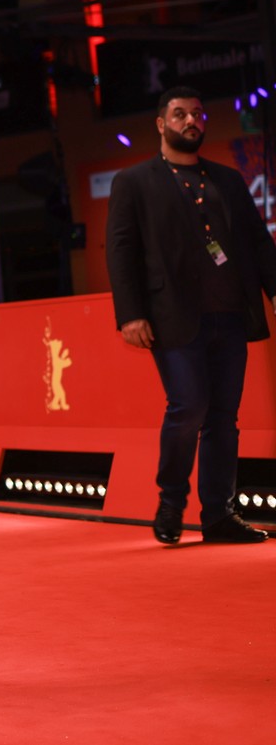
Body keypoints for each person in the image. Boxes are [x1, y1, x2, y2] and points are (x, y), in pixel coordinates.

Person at [105, 86, 276, 546]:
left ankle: (219, 515)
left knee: (223, 418)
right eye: (179, 115)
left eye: (197, 114)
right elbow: (120, 253)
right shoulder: (134, 181)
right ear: (161, 124)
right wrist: (130, 314)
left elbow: (258, 242)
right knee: (188, 406)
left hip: (231, 314)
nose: (190, 122)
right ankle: (172, 500)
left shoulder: (229, 180)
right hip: (172, 317)